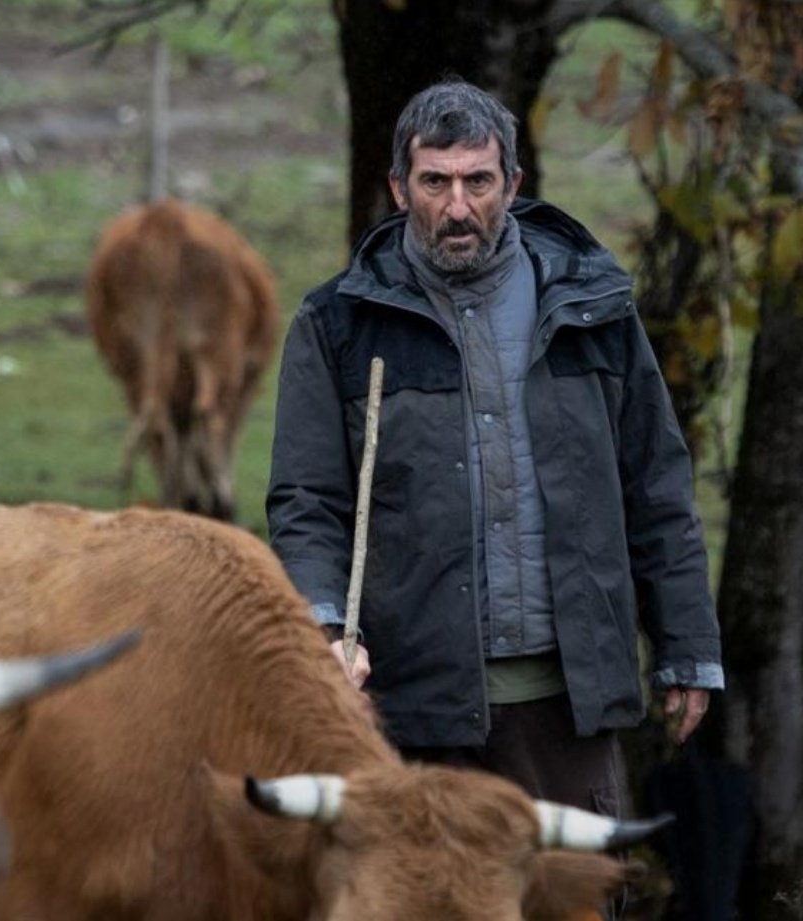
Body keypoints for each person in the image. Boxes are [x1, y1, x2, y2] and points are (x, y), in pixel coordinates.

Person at [267, 78, 722, 822]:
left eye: (477, 181)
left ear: (512, 183)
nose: (456, 208)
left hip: (568, 705)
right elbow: (306, 503)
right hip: (410, 707)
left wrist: (685, 642)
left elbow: (657, 485)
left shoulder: (590, 308)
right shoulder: (338, 325)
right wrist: (324, 629)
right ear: (397, 187)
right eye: (434, 182)